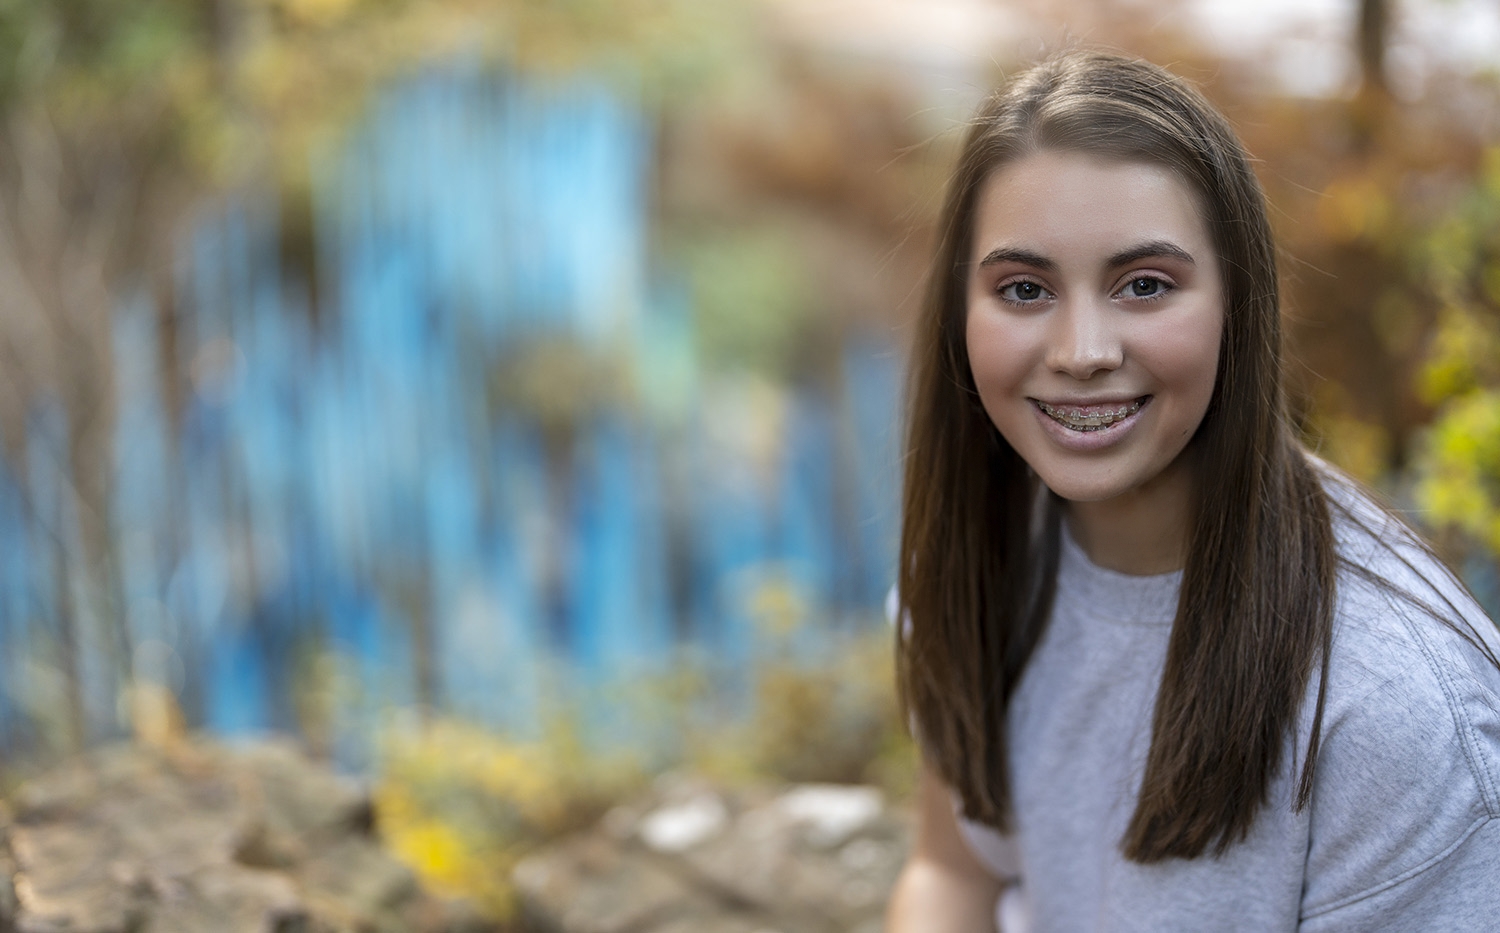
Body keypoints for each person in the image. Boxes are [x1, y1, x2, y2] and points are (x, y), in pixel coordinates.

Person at [884, 50, 1500, 932]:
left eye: (1145, 285)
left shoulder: (1398, 713)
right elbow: (953, 874)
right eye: (1024, 288)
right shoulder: (979, 557)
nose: (1082, 350)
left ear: (1236, 303)